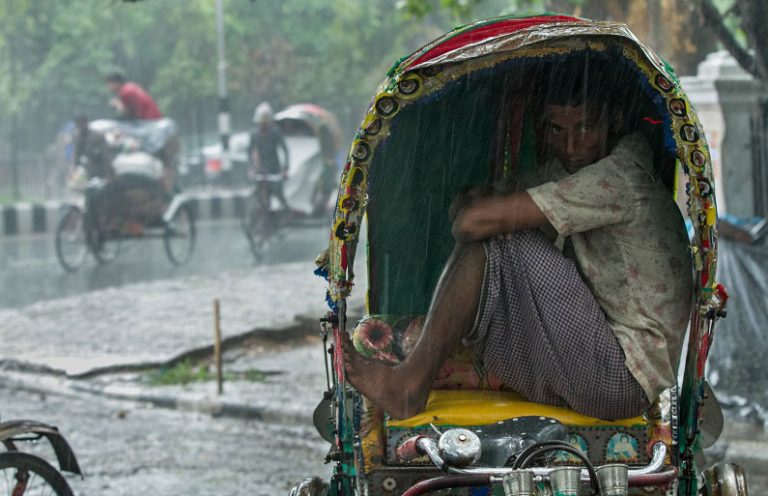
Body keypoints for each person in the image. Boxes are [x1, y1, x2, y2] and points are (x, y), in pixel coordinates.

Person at [342, 57, 693, 421]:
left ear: (614, 121)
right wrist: (483, 208)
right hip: (591, 362)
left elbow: (471, 222)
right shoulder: (571, 170)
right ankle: (414, 379)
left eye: (586, 128)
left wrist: (485, 213)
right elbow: (471, 203)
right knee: (495, 229)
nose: (571, 145)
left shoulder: (620, 177)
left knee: (501, 237)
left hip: (621, 379)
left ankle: (409, 386)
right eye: (557, 130)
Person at [248, 102, 291, 210]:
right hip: (261, 170)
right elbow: (250, 151)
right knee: (258, 193)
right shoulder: (254, 134)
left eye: (265, 123)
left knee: (277, 192)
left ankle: (285, 209)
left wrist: (285, 169)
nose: (263, 125)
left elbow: (285, 150)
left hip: (274, 169)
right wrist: (251, 167)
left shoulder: (275, 132)